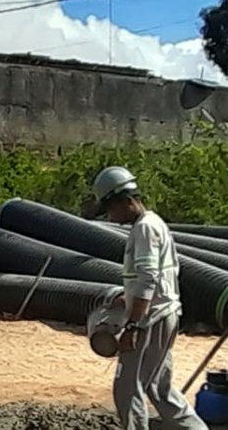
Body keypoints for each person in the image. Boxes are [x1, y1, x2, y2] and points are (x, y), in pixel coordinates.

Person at [93, 166, 207, 430]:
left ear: (126, 200)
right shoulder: (154, 223)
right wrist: (127, 296)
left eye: (111, 209)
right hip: (164, 314)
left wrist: (132, 325)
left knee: (127, 389)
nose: (110, 216)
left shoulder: (144, 229)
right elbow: (157, 275)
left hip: (150, 320)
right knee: (159, 387)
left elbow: (148, 279)